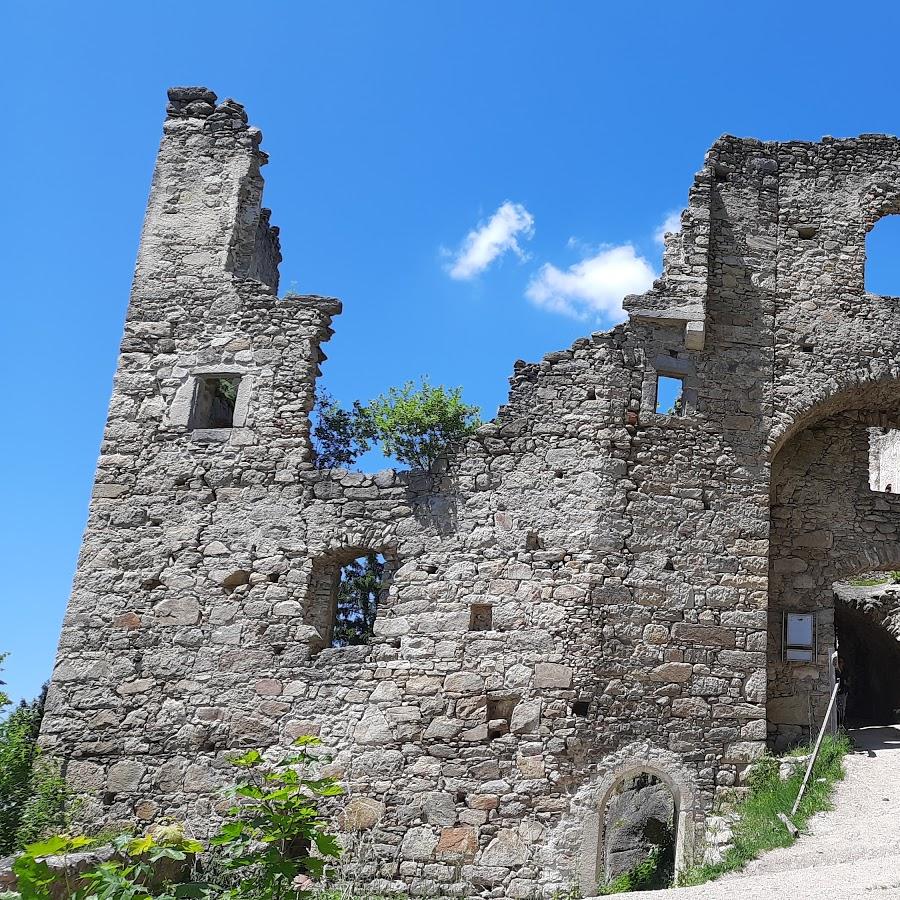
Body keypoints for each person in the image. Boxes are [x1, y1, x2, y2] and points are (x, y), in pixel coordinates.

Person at [833, 653, 850, 730]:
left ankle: (841, 724)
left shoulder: (845, 672)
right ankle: (837, 725)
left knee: (842, 708)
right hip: (836, 693)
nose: (840, 663)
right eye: (839, 662)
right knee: (836, 708)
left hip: (843, 692)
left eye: (841, 662)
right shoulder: (835, 671)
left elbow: (848, 681)